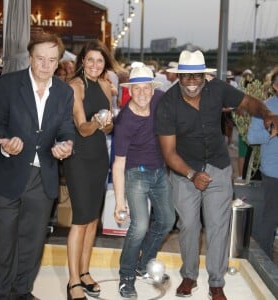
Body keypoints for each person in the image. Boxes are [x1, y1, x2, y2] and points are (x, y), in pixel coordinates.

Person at [155, 50, 278, 300]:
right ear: (179, 76)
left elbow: (247, 102)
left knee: (217, 226)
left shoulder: (217, 89)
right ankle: (189, 275)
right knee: (189, 225)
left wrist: (266, 113)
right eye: (186, 77)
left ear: (204, 75)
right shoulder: (167, 104)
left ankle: (216, 282)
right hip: (184, 171)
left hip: (219, 168)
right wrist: (191, 175)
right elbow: (168, 153)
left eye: (196, 76)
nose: (191, 82)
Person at [0, 32, 75, 300]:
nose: (46, 65)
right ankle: (1, 294)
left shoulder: (64, 92)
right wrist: (3, 141)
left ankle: (21, 291)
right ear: (30, 57)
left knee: (33, 241)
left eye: (52, 60)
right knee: (5, 240)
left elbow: (66, 128)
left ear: (58, 62)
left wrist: (66, 144)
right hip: (6, 173)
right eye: (40, 58)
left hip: (41, 175)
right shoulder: (7, 84)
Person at [112, 65, 175, 299]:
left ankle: (143, 264)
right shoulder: (124, 122)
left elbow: (182, 99)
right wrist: (120, 203)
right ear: (130, 90)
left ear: (152, 88)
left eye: (145, 88)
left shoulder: (160, 99)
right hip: (136, 174)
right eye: (136, 88)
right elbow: (118, 164)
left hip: (159, 172)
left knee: (168, 220)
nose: (142, 93)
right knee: (139, 226)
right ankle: (126, 277)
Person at [62, 40, 114, 300]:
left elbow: (109, 127)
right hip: (79, 158)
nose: (95, 65)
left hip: (99, 158)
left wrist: (105, 125)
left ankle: (84, 272)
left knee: (93, 219)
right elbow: (82, 127)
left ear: (105, 64)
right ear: (83, 61)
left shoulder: (106, 85)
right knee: (80, 220)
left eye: (100, 61)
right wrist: (96, 123)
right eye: (90, 60)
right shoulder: (75, 86)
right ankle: (73, 282)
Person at [247, 67, 278, 260]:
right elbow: (251, 137)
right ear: (275, 86)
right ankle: (263, 264)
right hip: (274, 173)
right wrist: (272, 131)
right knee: (270, 219)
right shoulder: (264, 108)